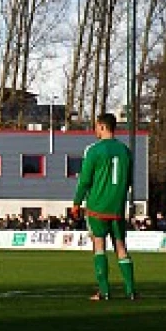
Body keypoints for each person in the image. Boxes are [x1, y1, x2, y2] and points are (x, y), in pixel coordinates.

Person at [73, 112, 136, 301]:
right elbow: (129, 181)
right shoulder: (125, 151)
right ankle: (131, 291)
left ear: (102, 126)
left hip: (97, 207)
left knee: (99, 246)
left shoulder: (94, 150)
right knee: (121, 247)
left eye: (96, 126)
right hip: (117, 208)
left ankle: (104, 291)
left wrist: (77, 202)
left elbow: (84, 180)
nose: (95, 130)